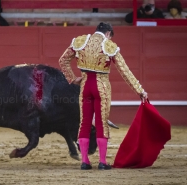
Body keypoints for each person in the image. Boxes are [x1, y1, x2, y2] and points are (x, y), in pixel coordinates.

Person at [58, 22, 148, 170]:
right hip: (102, 87)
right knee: (101, 123)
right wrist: (140, 90)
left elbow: (63, 60)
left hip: (85, 86)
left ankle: (85, 162)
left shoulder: (81, 41)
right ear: (108, 34)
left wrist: (73, 79)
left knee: (85, 123)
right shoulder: (109, 46)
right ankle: (102, 162)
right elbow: (125, 71)